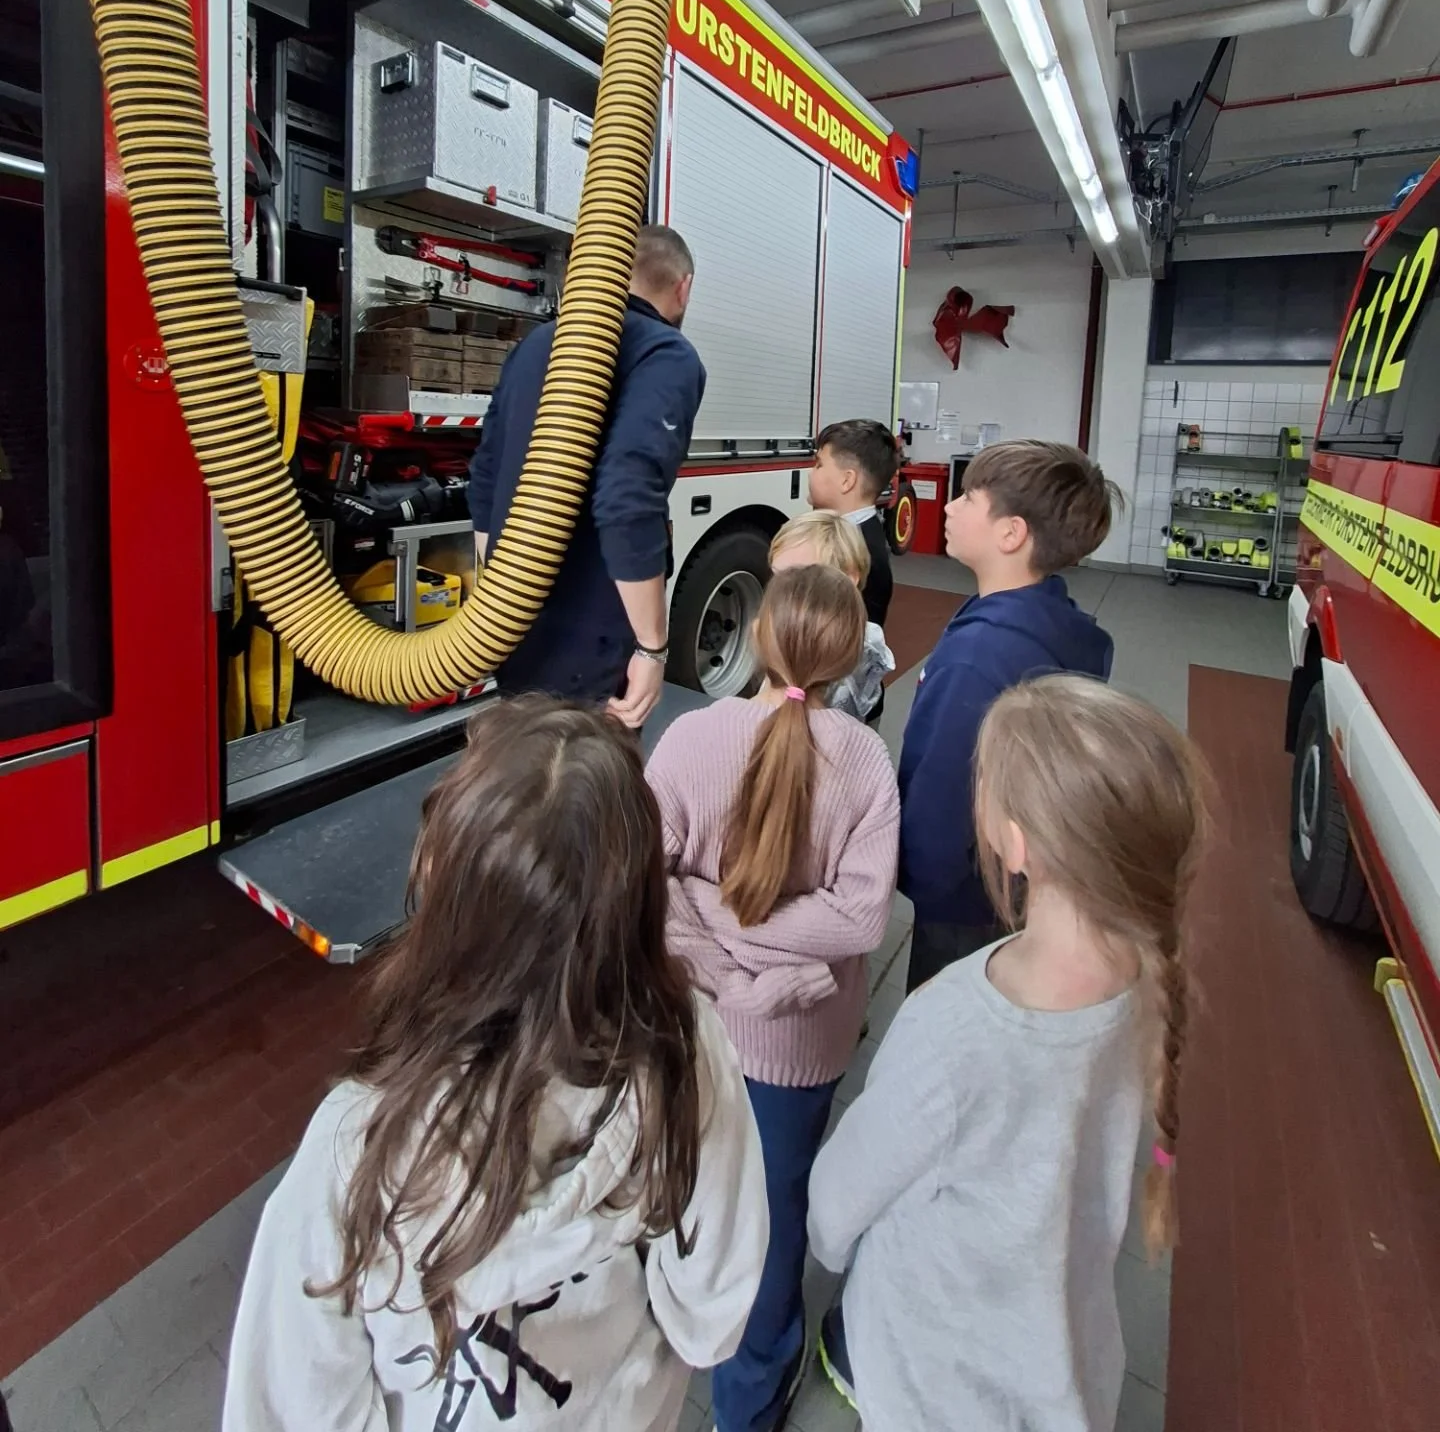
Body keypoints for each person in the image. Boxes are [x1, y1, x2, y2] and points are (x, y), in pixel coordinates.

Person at [223, 700, 769, 1432]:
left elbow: (288, 1407)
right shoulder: (686, 1046)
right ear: (639, 903)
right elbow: (710, 1317)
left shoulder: (356, 1145)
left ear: (450, 899)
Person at [808, 674, 1210, 1432]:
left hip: (938, 1387)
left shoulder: (954, 1028)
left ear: (1017, 843)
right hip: (1068, 1372)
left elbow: (836, 1206)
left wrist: (827, 1250)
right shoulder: (1152, 984)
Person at [647, 567, 900, 1432]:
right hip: (799, 1049)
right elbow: (860, 917)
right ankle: (747, 1402)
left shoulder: (689, 738)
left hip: (693, 1029)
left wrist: (725, 949)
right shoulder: (864, 760)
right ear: (847, 656)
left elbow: (652, 881)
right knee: (775, 1218)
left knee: (683, 1187)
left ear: (757, 637)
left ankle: (669, 1328)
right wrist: (765, 968)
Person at [899, 440, 1119, 994]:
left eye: (968, 497)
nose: (947, 506)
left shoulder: (979, 660)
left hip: (965, 899)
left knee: (949, 1015)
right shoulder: (1060, 621)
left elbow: (943, 796)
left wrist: (913, 877)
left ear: (1011, 533)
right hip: (1024, 880)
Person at [469, 226, 705, 727]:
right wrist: (652, 648)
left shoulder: (536, 343)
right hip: (591, 644)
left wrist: (500, 596)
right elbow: (627, 493)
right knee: (587, 794)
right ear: (682, 287)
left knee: (522, 780)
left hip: (518, 627)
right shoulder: (664, 353)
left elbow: (485, 473)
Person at [769, 511, 893, 723]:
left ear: (848, 578)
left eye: (801, 580)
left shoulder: (854, 648)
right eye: (776, 578)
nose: (781, 594)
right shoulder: (786, 628)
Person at [806, 420, 900, 632]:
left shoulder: (856, 552)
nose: (811, 472)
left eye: (819, 464)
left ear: (847, 480)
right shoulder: (863, 534)